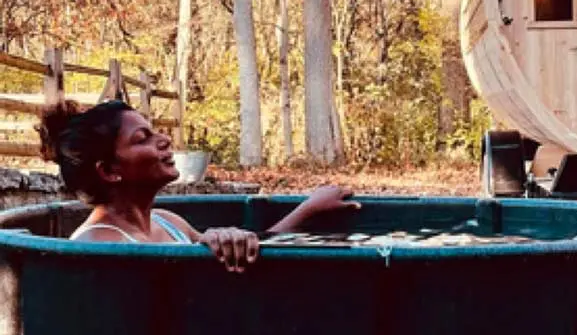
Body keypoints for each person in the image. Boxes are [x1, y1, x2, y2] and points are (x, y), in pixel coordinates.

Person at [38, 99, 358, 273]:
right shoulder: (99, 246)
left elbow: (251, 252)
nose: (164, 141)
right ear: (109, 170)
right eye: (143, 139)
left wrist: (309, 208)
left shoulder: (168, 221)